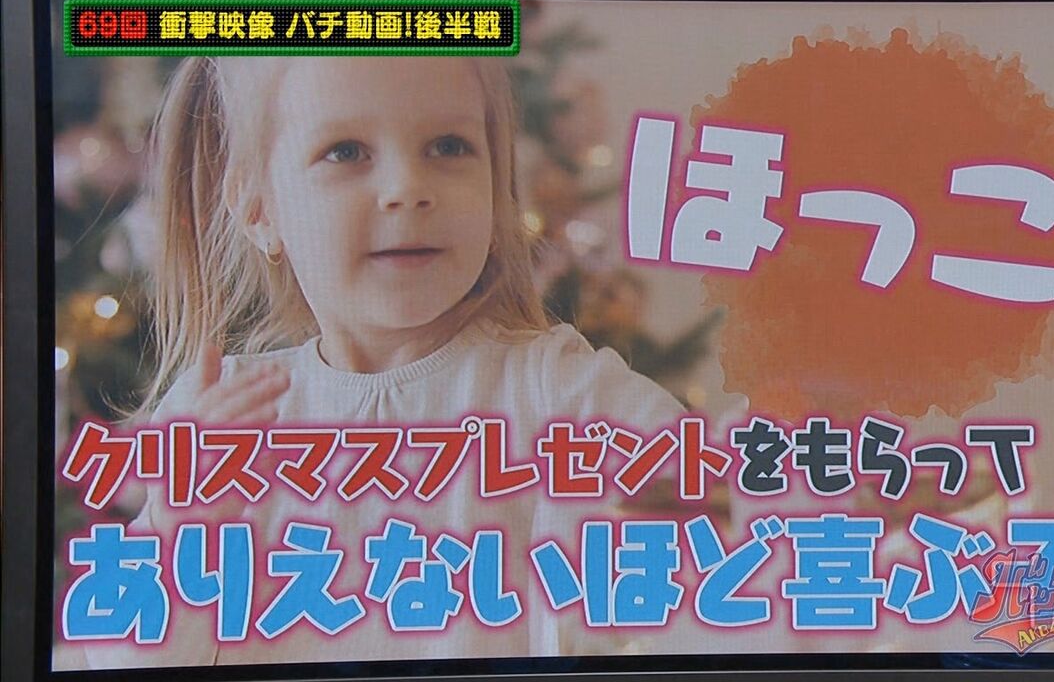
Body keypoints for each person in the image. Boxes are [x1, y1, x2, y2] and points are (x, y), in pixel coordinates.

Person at [82, 53, 685, 667]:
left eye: (448, 146)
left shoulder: (563, 393)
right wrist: (181, 529)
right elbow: (122, 660)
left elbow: (707, 533)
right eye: (346, 152)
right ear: (258, 206)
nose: (407, 189)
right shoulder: (223, 417)